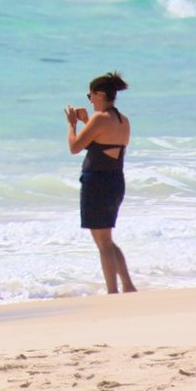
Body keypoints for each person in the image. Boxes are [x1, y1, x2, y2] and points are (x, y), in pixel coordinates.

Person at [65, 72, 137, 294]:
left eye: (91, 95)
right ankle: (127, 285)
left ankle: (113, 291)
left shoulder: (99, 119)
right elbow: (104, 143)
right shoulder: (122, 120)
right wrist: (87, 121)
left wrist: (72, 124)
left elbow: (75, 147)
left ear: (100, 94)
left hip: (97, 182)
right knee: (106, 239)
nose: (90, 100)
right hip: (115, 181)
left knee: (103, 242)